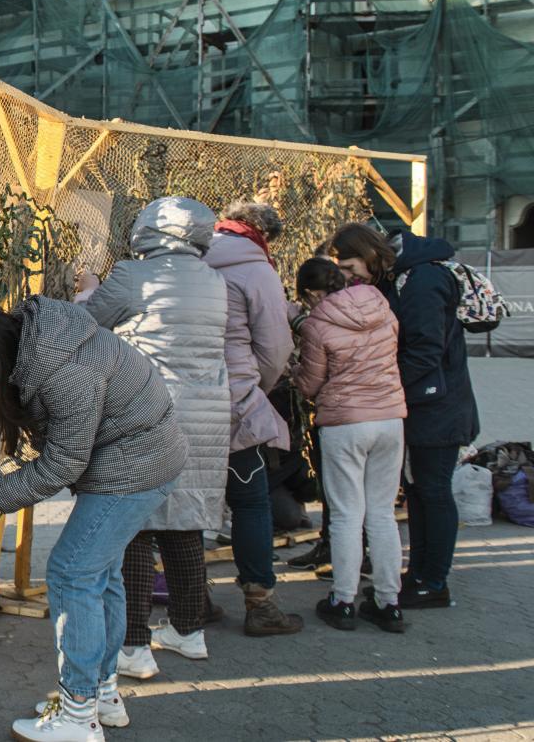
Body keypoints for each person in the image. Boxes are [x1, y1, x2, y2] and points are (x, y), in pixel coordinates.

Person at [0, 297, 184, 742]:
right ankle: (101, 694)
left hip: (135, 468)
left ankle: (78, 716)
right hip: (140, 459)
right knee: (101, 574)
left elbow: (64, 463)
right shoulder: (47, 345)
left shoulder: (64, 373)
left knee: (71, 571)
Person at [78, 197, 230, 679]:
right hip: (206, 412)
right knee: (184, 522)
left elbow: (88, 323)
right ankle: (189, 631)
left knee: (136, 525)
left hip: (147, 408)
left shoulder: (134, 275)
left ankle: (134, 643)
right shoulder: (215, 280)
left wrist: (86, 291)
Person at [327, 222, 479, 609]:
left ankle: (433, 582)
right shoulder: (401, 276)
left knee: (432, 490)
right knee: (417, 491)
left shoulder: (423, 279)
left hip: (436, 405)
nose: (347, 277)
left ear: (369, 254)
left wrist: (384, 389)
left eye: (349, 267)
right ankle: (418, 576)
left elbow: (425, 350)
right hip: (423, 401)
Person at [201, 201, 302, 636]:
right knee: (250, 503)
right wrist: (256, 385)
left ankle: (193, 600)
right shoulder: (256, 268)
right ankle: (260, 604)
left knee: (189, 503)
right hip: (234, 402)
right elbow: (276, 345)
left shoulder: (190, 256)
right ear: (263, 234)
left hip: (184, 400)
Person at [290, 257, 407, 632]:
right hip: (390, 419)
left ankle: (343, 600)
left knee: (345, 514)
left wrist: (293, 371)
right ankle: (389, 602)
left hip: (345, 423)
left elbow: (310, 384)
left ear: (311, 292)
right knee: (382, 513)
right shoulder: (382, 307)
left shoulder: (319, 324)